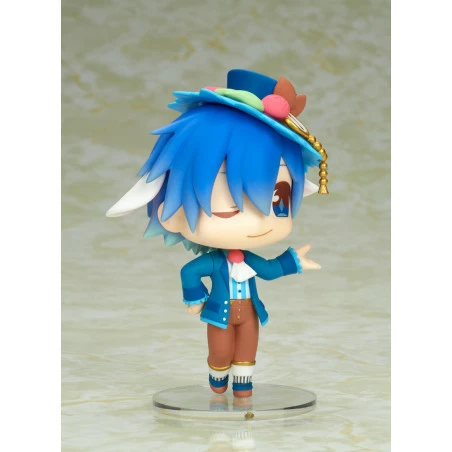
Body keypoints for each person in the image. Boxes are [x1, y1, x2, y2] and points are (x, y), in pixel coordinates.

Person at [107, 69, 327, 398]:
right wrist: (195, 297)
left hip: (250, 315)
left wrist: (292, 261)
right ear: (173, 210)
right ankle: (217, 378)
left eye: (278, 200)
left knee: (247, 352)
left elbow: (268, 270)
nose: (260, 222)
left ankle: (243, 388)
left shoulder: (250, 259)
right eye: (229, 206)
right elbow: (189, 271)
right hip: (219, 315)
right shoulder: (212, 262)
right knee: (221, 353)